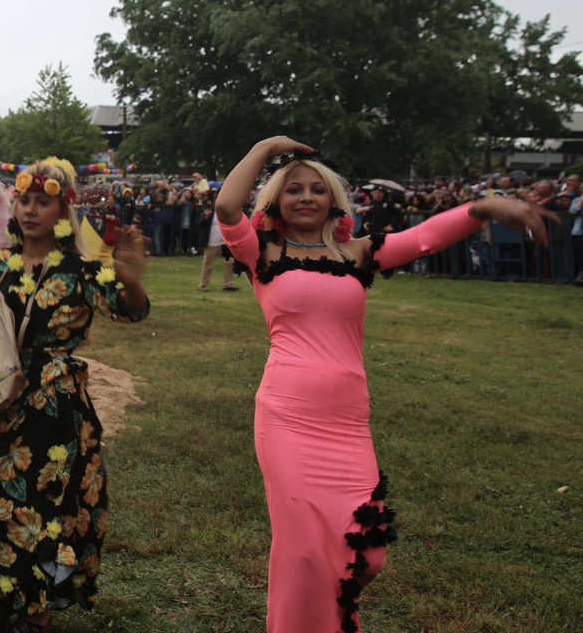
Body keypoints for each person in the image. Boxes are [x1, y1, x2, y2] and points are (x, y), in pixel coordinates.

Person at [215, 136, 558, 633]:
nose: (306, 197)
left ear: (333, 199)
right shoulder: (260, 253)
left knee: (368, 551)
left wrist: (482, 207)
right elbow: (227, 205)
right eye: (294, 191)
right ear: (277, 203)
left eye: (317, 188)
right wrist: (267, 148)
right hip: (287, 417)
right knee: (303, 549)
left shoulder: (359, 253)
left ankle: (330, 618)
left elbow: (423, 239)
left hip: (347, 425)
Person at [0, 158, 149, 633]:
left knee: (45, 507)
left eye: (44, 201)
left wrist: (132, 280)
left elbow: (130, 311)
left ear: (63, 210)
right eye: (25, 199)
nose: (31, 209)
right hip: (3, 400)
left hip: (55, 404)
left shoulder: (81, 271)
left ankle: (35, 611)